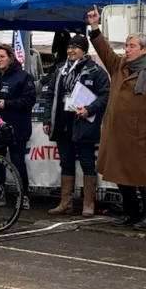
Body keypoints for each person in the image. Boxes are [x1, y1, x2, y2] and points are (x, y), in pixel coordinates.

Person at [86, 8, 146, 231]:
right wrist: (95, 26)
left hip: (138, 133)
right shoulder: (120, 66)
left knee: (143, 177)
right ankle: (130, 212)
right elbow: (103, 51)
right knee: (120, 174)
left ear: (144, 49)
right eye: (126, 45)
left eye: (132, 46)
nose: (127, 49)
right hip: (116, 132)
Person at [44, 34, 109, 217]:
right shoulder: (60, 69)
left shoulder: (96, 71)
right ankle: (66, 203)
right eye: (69, 47)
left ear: (84, 50)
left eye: (75, 47)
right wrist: (47, 119)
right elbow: (50, 96)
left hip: (83, 124)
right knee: (66, 163)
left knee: (88, 163)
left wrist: (89, 109)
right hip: (62, 123)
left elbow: (105, 96)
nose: (71, 50)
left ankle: (88, 203)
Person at [0, 43, 36, 209]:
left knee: (17, 162)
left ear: (10, 58)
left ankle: (24, 196)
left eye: (2, 56)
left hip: (17, 128)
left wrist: (7, 103)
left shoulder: (23, 77)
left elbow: (30, 100)